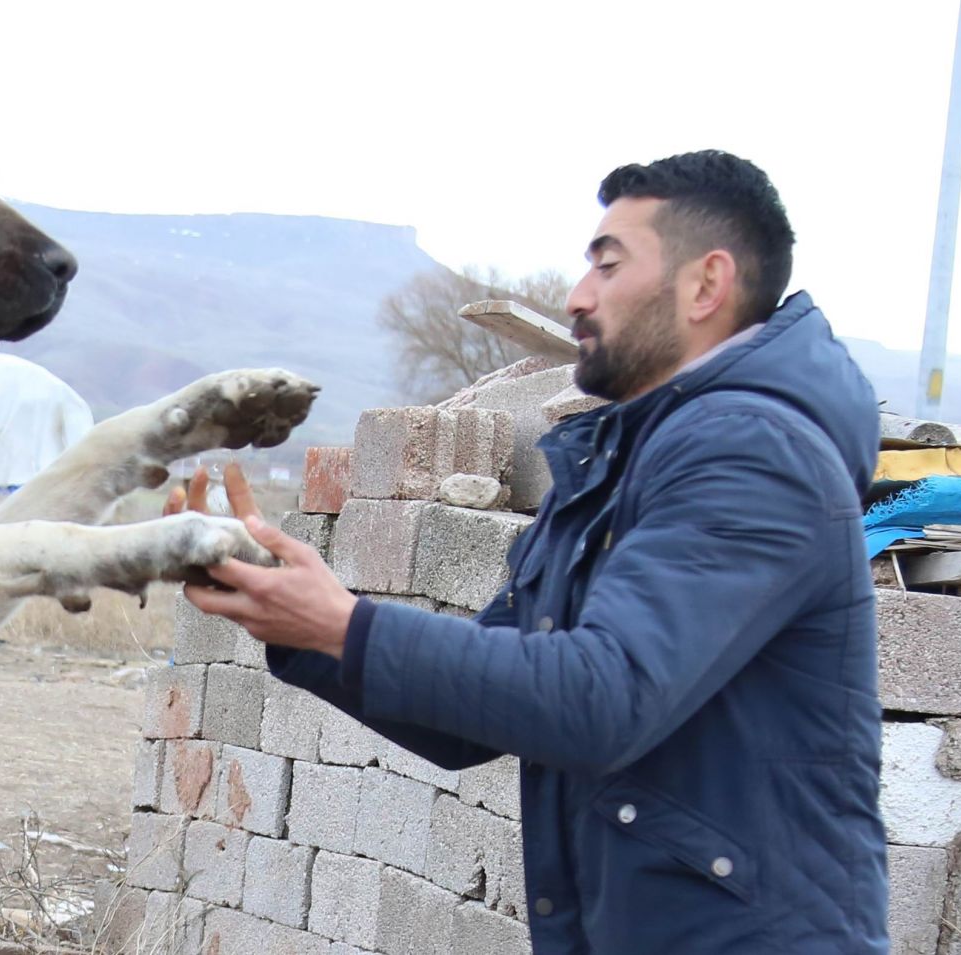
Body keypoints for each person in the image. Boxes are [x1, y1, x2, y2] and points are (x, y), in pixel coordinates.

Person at [174, 151, 889, 954]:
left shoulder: (754, 451)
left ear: (705, 284)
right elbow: (472, 718)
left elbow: (602, 699)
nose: (578, 296)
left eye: (607, 265)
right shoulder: (624, 461)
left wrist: (343, 625)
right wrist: (291, 614)